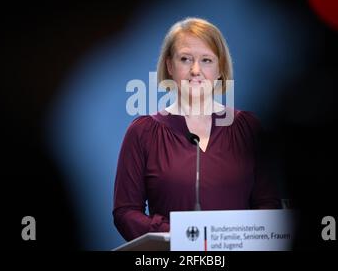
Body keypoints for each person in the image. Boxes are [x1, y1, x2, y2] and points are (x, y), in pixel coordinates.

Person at [113, 17, 281, 241]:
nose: (195, 70)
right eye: (185, 59)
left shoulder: (248, 129)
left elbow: (268, 204)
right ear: (169, 66)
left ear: (220, 69)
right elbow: (125, 212)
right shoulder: (143, 132)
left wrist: (234, 236)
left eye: (206, 60)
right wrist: (177, 234)